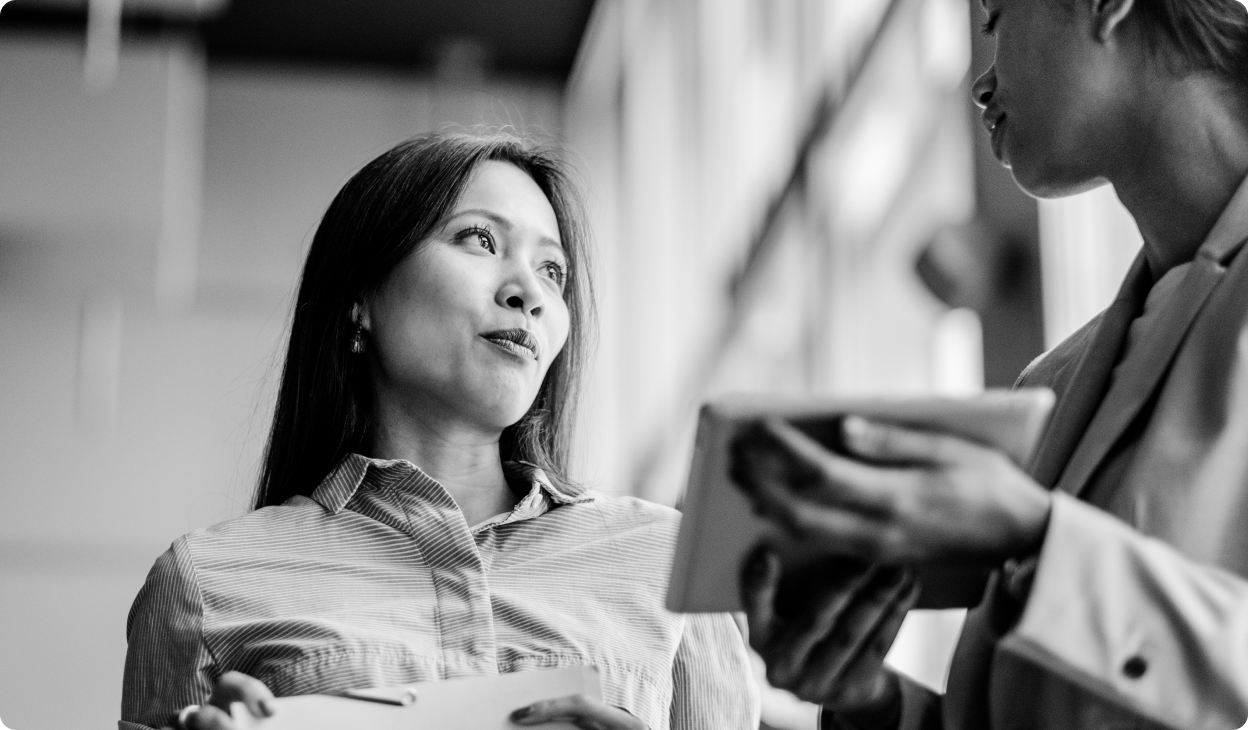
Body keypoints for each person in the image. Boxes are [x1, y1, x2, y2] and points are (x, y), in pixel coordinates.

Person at [120, 133, 760, 730]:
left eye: (553, 271)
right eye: (480, 239)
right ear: (360, 295)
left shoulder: (671, 559)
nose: (529, 293)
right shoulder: (205, 582)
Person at [731, 0, 1248, 728]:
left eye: (995, 18)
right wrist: (871, 705)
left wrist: (1038, 541)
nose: (981, 83)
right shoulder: (1053, 386)